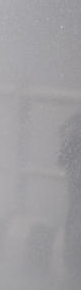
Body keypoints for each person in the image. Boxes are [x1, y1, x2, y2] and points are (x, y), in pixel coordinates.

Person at [58, 110, 81, 275]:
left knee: (74, 215)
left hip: (75, 175)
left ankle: (72, 262)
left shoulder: (73, 123)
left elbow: (62, 158)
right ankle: (73, 262)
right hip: (76, 175)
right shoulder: (74, 124)